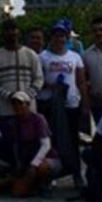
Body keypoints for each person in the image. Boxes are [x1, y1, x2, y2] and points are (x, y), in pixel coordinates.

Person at [38, 22, 88, 184]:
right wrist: (51, 86)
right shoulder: (43, 57)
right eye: (56, 36)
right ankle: (50, 174)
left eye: (62, 36)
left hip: (70, 104)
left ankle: (76, 173)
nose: (59, 39)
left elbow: (81, 81)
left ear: (67, 38)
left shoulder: (75, 57)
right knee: (50, 141)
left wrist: (85, 104)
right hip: (50, 104)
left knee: (73, 141)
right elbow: (38, 81)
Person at [0, 91, 60, 199]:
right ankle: (31, 185)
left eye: (21, 103)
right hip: (27, 160)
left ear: (28, 104)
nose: (17, 106)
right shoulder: (14, 122)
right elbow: (16, 145)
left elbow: (46, 145)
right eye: (15, 104)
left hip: (47, 158)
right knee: (17, 192)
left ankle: (45, 184)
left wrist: (34, 164)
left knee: (41, 167)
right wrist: (20, 164)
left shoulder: (38, 119)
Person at [0, 19, 43, 116]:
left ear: (18, 32)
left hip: (28, 109)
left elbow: (39, 79)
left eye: (14, 29)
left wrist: (25, 97)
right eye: (7, 30)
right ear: (3, 33)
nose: (11, 33)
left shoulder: (31, 54)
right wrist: (10, 96)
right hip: (5, 110)